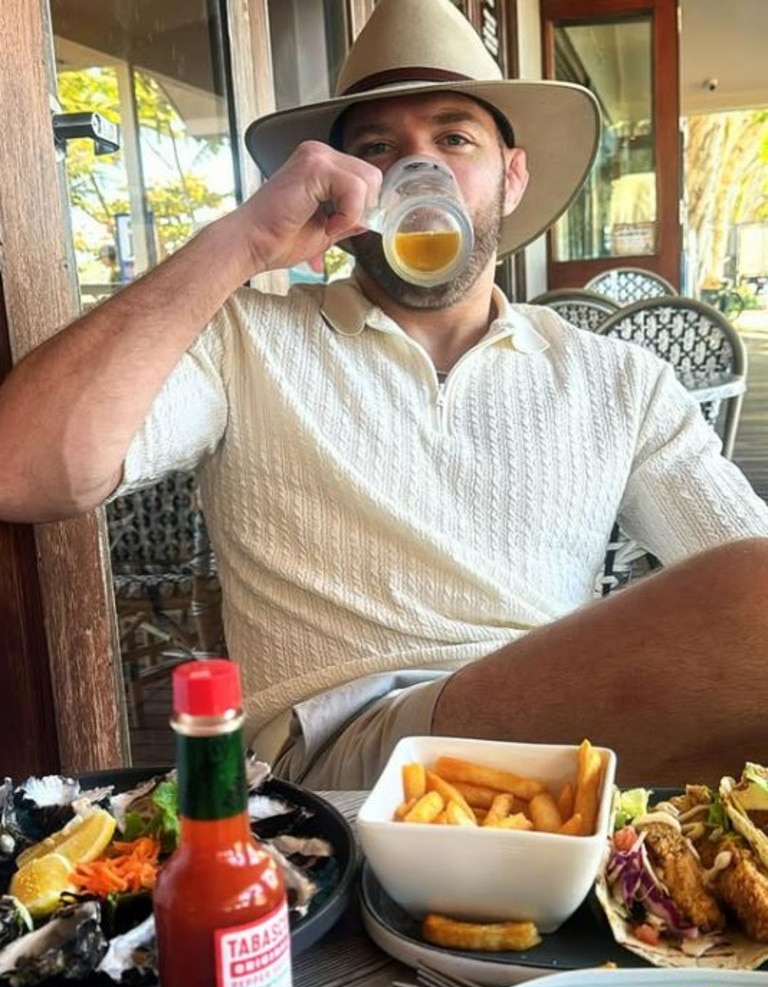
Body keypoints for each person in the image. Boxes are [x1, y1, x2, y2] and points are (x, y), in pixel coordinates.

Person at [1, 0, 767, 789]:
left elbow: (743, 571)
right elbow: (21, 470)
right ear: (342, 187)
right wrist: (242, 243)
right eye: (376, 148)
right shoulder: (245, 342)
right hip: (343, 755)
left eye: (453, 138)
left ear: (510, 177)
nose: (415, 168)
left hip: (555, 752)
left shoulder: (617, 378)